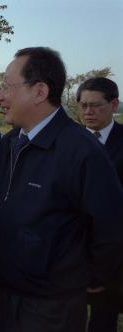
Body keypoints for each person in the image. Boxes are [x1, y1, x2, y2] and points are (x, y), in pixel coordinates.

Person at [0, 47, 123, 332]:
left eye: (7, 86)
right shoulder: (11, 141)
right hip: (3, 291)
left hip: (51, 306)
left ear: (40, 91)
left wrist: (89, 278)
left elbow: (111, 226)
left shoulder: (81, 151)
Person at [77, 77, 123, 332]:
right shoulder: (69, 141)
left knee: (103, 319)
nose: (88, 112)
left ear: (114, 104)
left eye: (95, 105)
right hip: (73, 248)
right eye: (83, 106)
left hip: (114, 253)